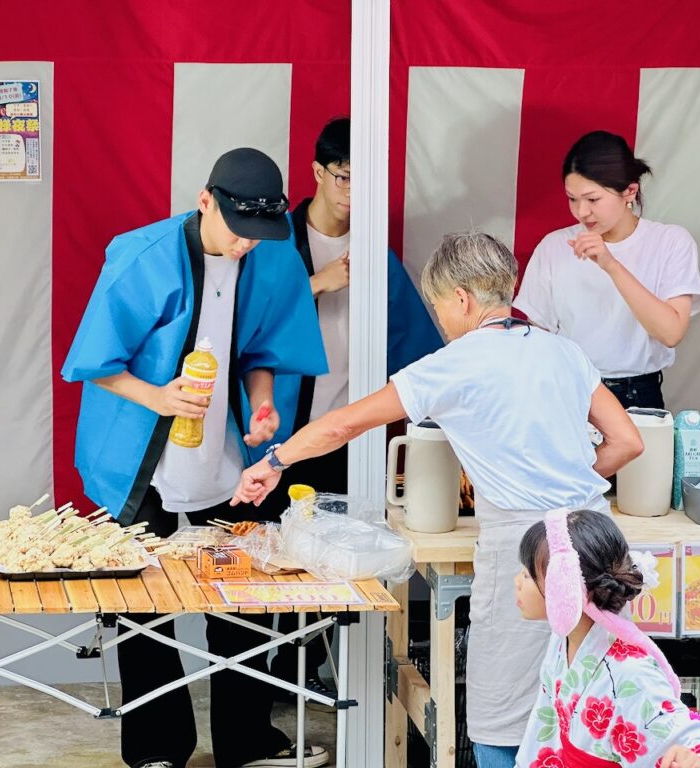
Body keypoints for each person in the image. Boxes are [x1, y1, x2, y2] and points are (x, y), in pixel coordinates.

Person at [231, 231, 644, 768]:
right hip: (600, 535)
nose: (440, 321)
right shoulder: (563, 350)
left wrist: (273, 462)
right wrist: (562, 482)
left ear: (462, 299)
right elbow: (627, 442)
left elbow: (344, 424)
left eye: (438, 306)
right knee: (594, 703)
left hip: (529, 549)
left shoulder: (454, 362)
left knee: (504, 714)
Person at [62, 148, 330, 768]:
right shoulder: (144, 256)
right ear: (205, 201)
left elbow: (263, 351)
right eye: (237, 230)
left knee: (245, 598)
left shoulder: (272, 253)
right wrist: (158, 396)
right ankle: (156, 749)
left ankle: (248, 740)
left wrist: (263, 404)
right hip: (140, 452)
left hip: (226, 450)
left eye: (258, 234)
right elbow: (97, 361)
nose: (245, 244)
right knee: (142, 605)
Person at [253, 117, 444, 704]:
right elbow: (247, 325)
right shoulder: (273, 241)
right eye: (345, 177)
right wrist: (318, 282)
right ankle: (266, 682)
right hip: (277, 430)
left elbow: (418, 347)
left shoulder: (373, 251)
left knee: (336, 562)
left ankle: (316, 676)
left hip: (348, 436)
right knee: (268, 564)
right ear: (317, 173)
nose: (355, 192)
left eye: (367, 182)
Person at [514, 509, 700, 768]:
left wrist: (694, 759)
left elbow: (691, 738)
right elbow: (546, 730)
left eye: (527, 575)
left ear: (565, 587)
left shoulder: (629, 671)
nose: (517, 582)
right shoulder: (562, 641)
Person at [515, 130, 700, 409]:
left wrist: (611, 265)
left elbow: (671, 333)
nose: (581, 212)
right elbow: (538, 339)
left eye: (592, 199)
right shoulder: (554, 246)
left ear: (630, 191)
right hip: (569, 389)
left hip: (637, 394)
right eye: (572, 198)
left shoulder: (670, 242)